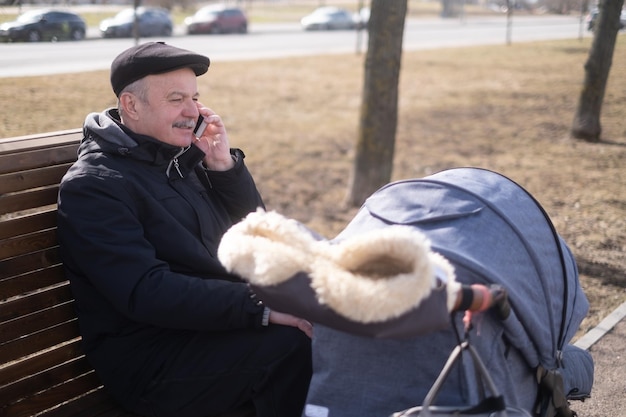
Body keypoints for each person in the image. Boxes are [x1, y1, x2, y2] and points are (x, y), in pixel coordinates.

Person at [56, 42, 312, 417]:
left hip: (209, 331)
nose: (192, 112)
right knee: (295, 341)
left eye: (195, 98)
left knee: (329, 323)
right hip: (155, 364)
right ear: (131, 105)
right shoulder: (95, 186)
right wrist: (259, 305)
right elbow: (146, 291)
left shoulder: (180, 160)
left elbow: (256, 236)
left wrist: (224, 167)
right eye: (176, 99)